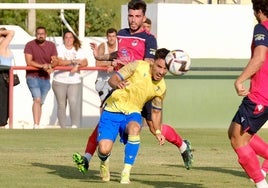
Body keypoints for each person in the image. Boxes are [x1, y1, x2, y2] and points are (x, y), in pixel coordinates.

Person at [73, 0, 193, 175]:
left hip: (142, 89)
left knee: (154, 128)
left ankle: (183, 146)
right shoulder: (121, 33)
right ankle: (87, 158)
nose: (133, 19)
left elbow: (148, 63)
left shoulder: (149, 39)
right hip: (122, 89)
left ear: (143, 18)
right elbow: (119, 53)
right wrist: (102, 56)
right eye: (130, 15)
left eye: (137, 16)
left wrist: (124, 64)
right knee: (104, 123)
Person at [98, 48, 169, 184]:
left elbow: (156, 112)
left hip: (133, 113)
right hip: (112, 110)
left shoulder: (162, 87)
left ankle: (126, 172)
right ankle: (104, 161)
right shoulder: (137, 66)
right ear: (152, 63)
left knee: (135, 128)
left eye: (165, 69)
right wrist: (117, 83)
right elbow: (113, 79)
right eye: (159, 66)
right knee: (103, 149)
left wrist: (158, 131)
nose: (161, 72)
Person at [227, 1, 268, 187]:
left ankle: (261, 183)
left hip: (261, 95)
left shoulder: (262, 27)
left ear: (259, 11)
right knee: (238, 133)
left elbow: (259, 57)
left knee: (238, 138)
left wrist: (240, 80)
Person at [51, 30, 88, 128]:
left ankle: (74, 125)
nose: (68, 39)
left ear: (73, 39)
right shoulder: (59, 48)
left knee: (73, 102)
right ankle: (63, 127)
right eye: (66, 37)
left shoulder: (78, 49)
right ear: (63, 39)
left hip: (74, 81)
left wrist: (77, 65)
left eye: (70, 37)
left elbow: (85, 62)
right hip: (60, 80)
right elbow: (58, 62)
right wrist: (72, 61)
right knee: (61, 104)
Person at [24, 26, 58, 129]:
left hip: (45, 78)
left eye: (42, 33)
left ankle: (37, 124)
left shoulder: (51, 45)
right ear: (36, 35)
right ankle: (36, 124)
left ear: (46, 34)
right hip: (32, 76)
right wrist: (43, 66)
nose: (40, 35)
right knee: (37, 99)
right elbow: (29, 61)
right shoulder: (30, 45)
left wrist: (51, 66)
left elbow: (55, 60)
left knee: (40, 102)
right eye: (38, 33)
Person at [94, 28, 118, 103]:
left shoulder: (120, 46)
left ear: (116, 37)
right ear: (106, 37)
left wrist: (114, 67)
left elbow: (124, 62)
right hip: (102, 79)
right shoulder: (102, 46)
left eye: (113, 36)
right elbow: (98, 63)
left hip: (115, 79)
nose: (111, 38)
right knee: (103, 104)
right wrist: (111, 63)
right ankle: (103, 115)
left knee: (116, 104)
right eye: (110, 36)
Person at [0, 28, 15, 127]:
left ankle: (3, 122)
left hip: (5, 76)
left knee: (5, 100)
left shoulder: (4, 47)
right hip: (2, 75)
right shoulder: (2, 47)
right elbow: (12, 32)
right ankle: (2, 122)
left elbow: (11, 32)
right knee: (3, 100)